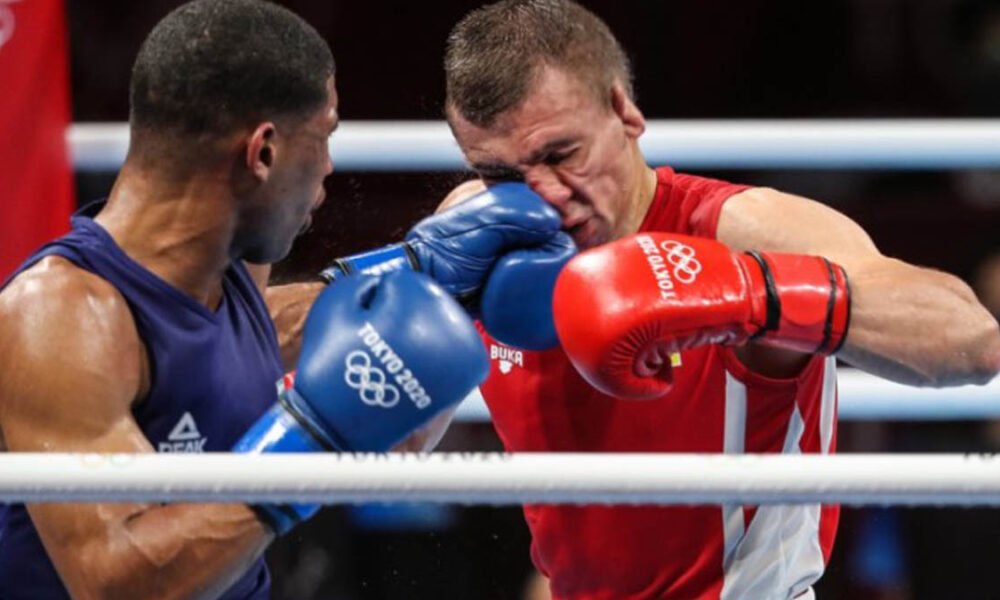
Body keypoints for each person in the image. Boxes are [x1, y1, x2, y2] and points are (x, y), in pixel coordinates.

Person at [0, 1, 567, 598]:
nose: (327, 170)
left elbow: (234, 338)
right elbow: (117, 585)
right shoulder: (58, 318)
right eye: (323, 138)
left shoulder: (228, 274)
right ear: (263, 152)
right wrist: (308, 441)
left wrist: (424, 275)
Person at [441, 1, 1000, 598]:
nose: (543, 197)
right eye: (501, 176)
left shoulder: (737, 229)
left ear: (622, 110)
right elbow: (388, 438)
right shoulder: (475, 238)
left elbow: (971, 341)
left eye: (560, 156)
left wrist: (750, 294)